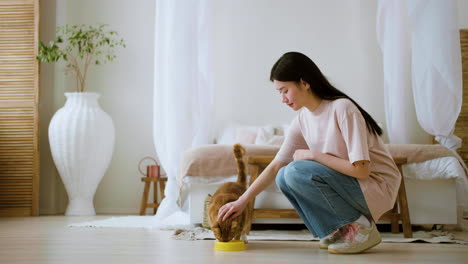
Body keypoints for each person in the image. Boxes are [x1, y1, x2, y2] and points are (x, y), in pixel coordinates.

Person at [217, 51, 401, 254]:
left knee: (296, 170)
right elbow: (276, 165)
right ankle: (337, 230)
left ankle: (362, 228)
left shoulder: (342, 108)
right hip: (355, 186)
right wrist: (242, 201)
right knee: (283, 176)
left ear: (304, 83)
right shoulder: (302, 120)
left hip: (376, 186)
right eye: (279, 92)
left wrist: (314, 155)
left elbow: (362, 171)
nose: (283, 99)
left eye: (285, 90)